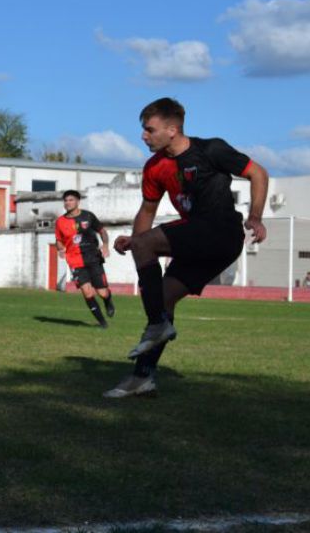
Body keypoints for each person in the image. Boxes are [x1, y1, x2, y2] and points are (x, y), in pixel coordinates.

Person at [104, 97, 268, 398]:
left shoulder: (211, 150)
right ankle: (143, 377)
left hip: (221, 232)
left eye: (149, 129)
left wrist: (255, 216)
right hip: (198, 240)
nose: (143, 136)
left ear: (172, 129)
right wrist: (136, 241)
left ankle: (156, 326)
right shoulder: (154, 168)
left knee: (157, 313)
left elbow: (258, 173)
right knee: (163, 298)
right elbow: (147, 210)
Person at [54, 189, 115, 328]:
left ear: (78, 201)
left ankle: (108, 300)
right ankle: (102, 323)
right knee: (87, 292)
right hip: (75, 261)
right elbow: (58, 239)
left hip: (93, 257)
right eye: (66, 200)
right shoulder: (60, 222)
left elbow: (102, 231)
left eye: (71, 200)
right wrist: (60, 249)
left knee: (102, 292)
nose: (68, 203)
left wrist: (105, 245)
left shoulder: (88, 216)